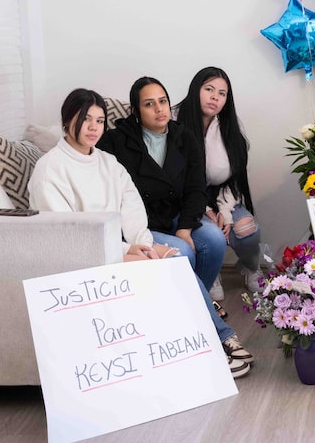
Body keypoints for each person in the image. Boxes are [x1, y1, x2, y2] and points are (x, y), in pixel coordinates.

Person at [29, 89, 253, 378]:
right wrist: (126, 250)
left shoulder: (107, 162)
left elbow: (132, 209)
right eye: (86, 119)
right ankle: (210, 345)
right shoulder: (51, 168)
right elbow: (69, 233)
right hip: (79, 256)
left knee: (171, 256)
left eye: (99, 120)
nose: (93, 127)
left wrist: (143, 244)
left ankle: (205, 340)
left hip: (113, 248)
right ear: (66, 120)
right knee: (166, 266)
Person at [98, 76, 228, 297]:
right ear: (136, 111)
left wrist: (185, 228)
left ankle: (197, 303)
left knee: (214, 239)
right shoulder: (114, 141)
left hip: (177, 216)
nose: (159, 109)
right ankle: (191, 308)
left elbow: (196, 189)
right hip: (140, 223)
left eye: (163, 101)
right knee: (183, 251)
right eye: (149, 104)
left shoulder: (184, 136)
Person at [176, 67, 263, 293]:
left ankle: (250, 267)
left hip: (221, 196)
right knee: (210, 234)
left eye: (222, 93)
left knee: (246, 228)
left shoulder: (229, 126)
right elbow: (175, 178)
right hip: (183, 200)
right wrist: (204, 210)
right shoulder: (174, 121)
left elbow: (234, 178)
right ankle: (209, 271)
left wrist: (224, 212)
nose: (215, 97)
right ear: (196, 90)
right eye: (209, 89)